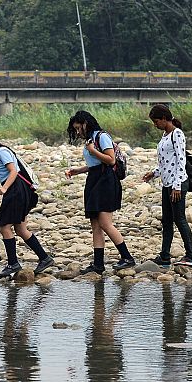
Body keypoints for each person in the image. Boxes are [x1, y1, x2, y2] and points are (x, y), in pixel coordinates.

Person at [0, 128, 54, 280]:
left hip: (16, 191)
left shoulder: (2, 151)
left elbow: (13, 172)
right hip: (17, 189)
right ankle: (45, 258)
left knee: (4, 226)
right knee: (21, 228)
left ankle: (13, 263)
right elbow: (3, 176)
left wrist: (4, 188)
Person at [65, 110, 135, 274]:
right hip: (95, 179)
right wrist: (78, 170)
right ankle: (98, 264)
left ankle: (127, 257)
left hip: (106, 181)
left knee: (105, 223)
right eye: (74, 129)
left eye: (78, 128)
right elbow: (95, 164)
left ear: (85, 124)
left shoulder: (101, 137)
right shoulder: (90, 140)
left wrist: (93, 150)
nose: (77, 132)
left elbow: (110, 160)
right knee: (95, 224)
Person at [142, 104, 192, 268]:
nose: (155, 125)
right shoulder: (165, 135)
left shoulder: (177, 134)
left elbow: (181, 160)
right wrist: (154, 173)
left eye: (156, 121)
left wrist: (177, 186)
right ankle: (165, 256)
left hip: (177, 183)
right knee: (167, 221)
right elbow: (166, 162)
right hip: (167, 183)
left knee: (180, 219)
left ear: (165, 119)